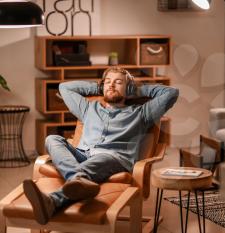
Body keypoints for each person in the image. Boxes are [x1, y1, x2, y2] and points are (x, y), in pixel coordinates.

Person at [23, 67, 179, 225]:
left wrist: (137, 89)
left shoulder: (141, 113)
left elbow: (172, 93)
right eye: (108, 82)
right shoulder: (89, 108)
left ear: (129, 89)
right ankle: (78, 179)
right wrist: (98, 87)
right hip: (82, 154)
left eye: (118, 82)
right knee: (52, 139)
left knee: (103, 157)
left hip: (114, 157)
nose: (111, 85)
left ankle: (53, 200)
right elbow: (65, 87)